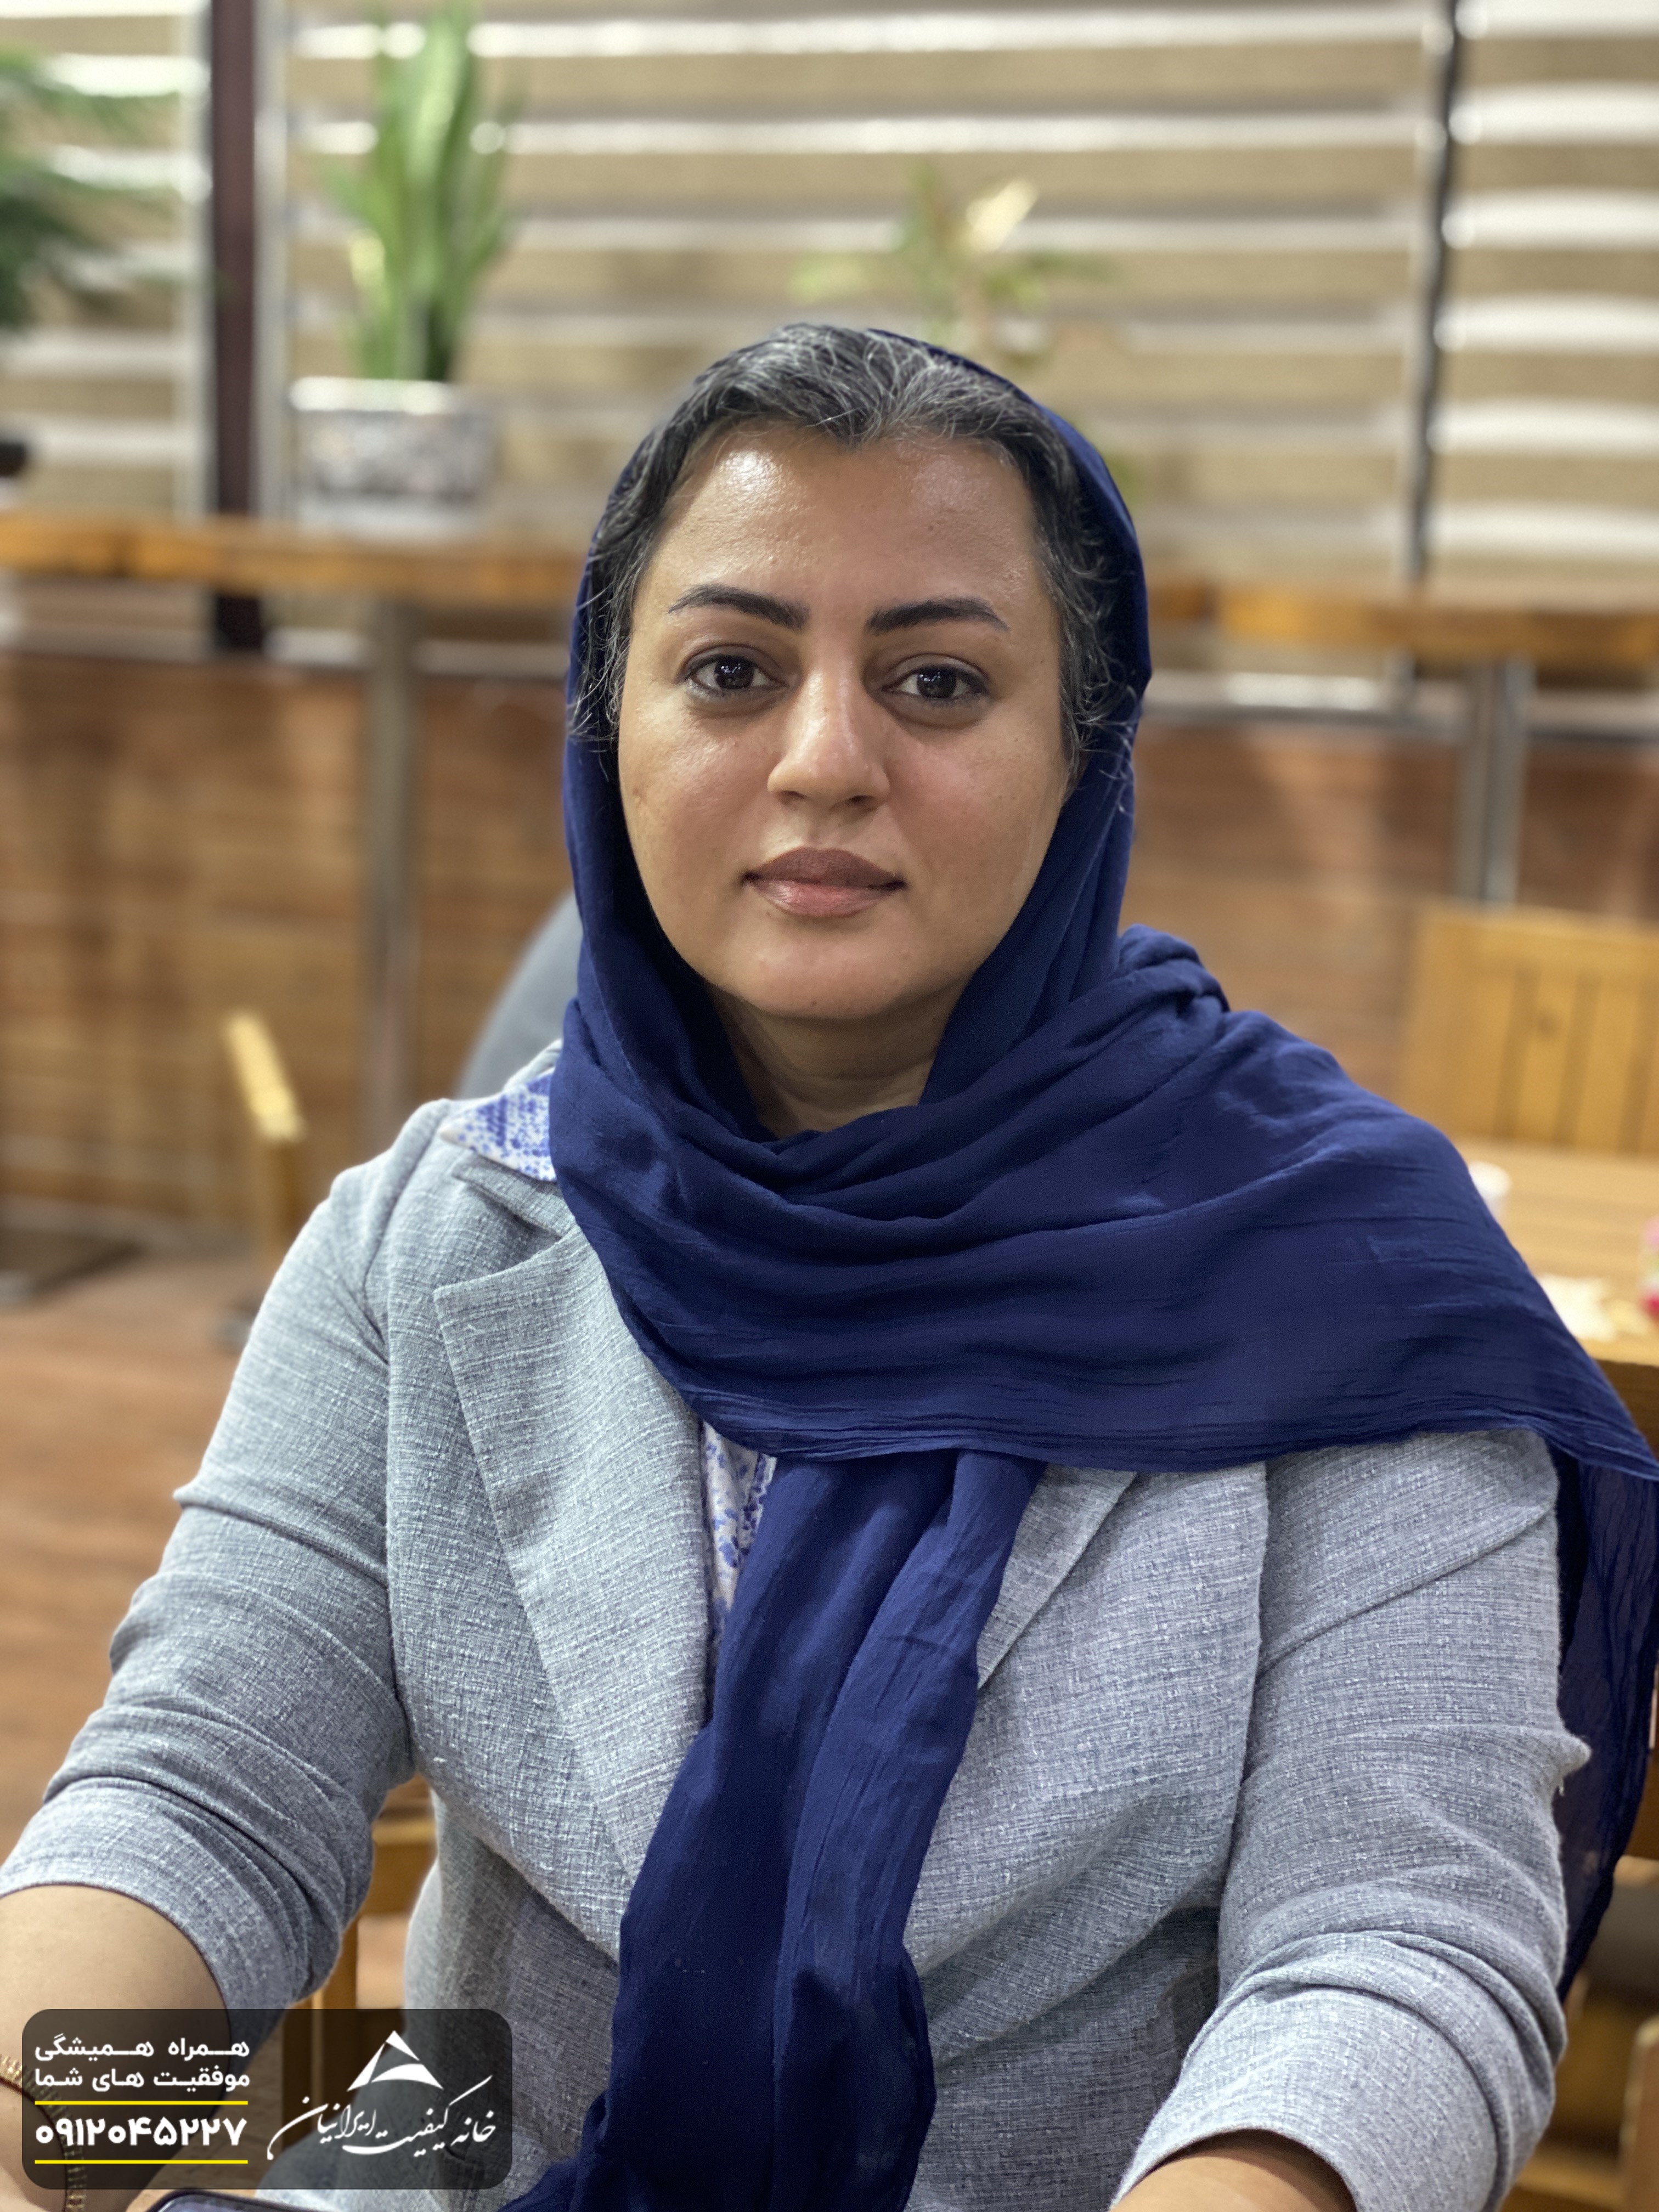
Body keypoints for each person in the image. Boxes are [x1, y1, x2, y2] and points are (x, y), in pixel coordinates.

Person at [3, 325, 1658, 2212]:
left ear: (1083, 750)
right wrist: (38, 2122)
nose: (823, 762)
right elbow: (209, 1795)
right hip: (483, 2156)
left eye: (938, 682)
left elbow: (1394, 1944)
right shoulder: (435, 1240)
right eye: (731, 670)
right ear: (609, 721)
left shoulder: (1349, 1278)